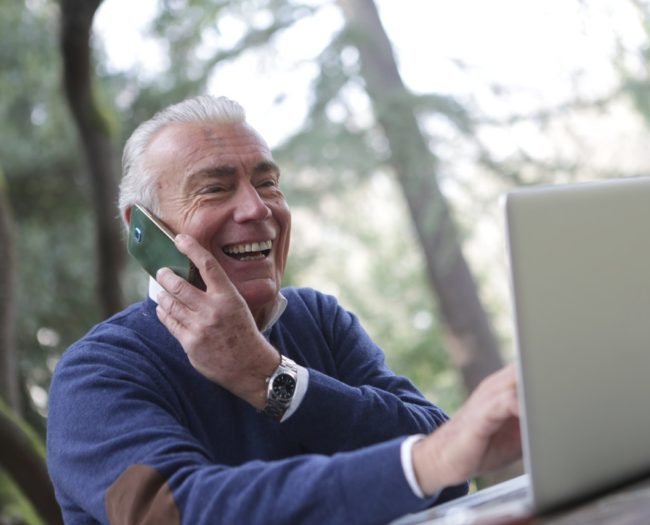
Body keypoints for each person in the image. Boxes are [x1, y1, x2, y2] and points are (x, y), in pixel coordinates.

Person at [46, 95, 521, 525]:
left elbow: (450, 466)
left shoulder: (317, 318)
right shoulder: (95, 375)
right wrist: (422, 463)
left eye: (268, 183)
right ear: (142, 230)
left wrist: (273, 379)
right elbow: (179, 512)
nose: (257, 209)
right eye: (215, 188)